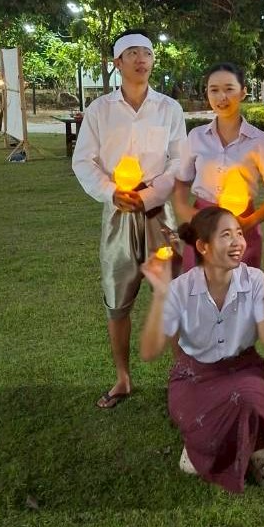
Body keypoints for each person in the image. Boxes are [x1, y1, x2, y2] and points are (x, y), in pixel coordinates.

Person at [139, 207, 264, 492]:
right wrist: (160, 294)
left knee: (247, 397)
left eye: (239, 233)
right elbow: (149, 352)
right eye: (226, 235)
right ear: (203, 246)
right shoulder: (180, 288)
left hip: (243, 368)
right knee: (195, 422)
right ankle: (198, 445)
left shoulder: (255, 280)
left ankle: (258, 450)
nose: (238, 242)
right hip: (194, 374)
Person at [72, 29, 186, 409]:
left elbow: (179, 160)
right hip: (118, 213)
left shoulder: (168, 108)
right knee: (117, 300)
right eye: (132, 53)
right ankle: (122, 378)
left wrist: (150, 195)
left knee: (171, 295)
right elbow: (83, 160)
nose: (141, 59)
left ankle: (183, 378)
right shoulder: (100, 111)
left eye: (147, 53)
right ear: (117, 63)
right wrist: (111, 192)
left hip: (158, 213)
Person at [173, 63, 264, 271]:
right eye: (214, 90)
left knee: (239, 287)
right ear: (207, 93)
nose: (222, 97)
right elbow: (181, 181)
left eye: (229, 89)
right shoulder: (196, 137)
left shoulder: (262, 142)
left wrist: (249, 222)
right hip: (201, 227)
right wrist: (186, 211)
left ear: (243, 92)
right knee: (198, 286)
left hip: (241, 226)